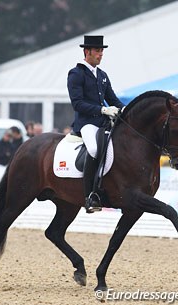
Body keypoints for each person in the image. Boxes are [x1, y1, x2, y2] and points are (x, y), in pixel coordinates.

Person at [67, 35, 125, 213]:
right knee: (93, 149)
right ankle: (90, 195)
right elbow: (77, 103)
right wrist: (102, 110)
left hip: (103, 122)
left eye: (102, 51)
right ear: (87, 52)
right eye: (98, 51)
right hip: (86, 123)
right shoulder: (76, 74)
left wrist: (128, 111)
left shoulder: (102, 75)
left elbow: (113, 99)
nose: (101, 54)